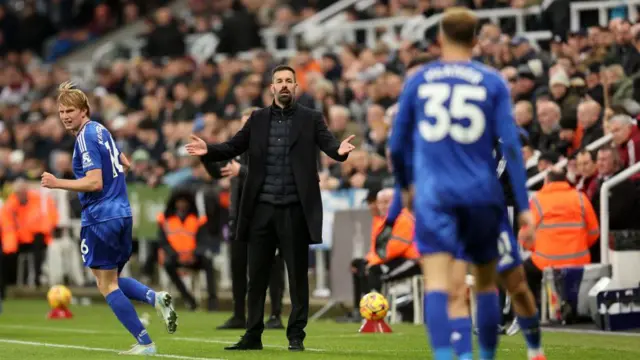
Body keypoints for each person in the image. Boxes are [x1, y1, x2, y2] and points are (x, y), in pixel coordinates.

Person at [388, 8, 534, 360]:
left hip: (436, 195)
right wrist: (525, 206)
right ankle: (483, 356)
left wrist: (405, 187)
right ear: (475, 41)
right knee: (484, 283)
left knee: (438, 283)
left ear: (439, 40)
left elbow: (395, 145)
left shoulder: (420, 80)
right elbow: (512, 146)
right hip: (482, 193)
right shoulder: (492, 80)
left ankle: (445, 356)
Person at [185, 65, 356, 351]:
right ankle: (253, 334)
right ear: (272, 88)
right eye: (279, 81)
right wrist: (209, 150)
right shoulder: (257, 119)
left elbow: (330, 146)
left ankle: (296, 336)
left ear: (296, 87)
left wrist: (339, 152)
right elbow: (233, 145)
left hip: (295, 209)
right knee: (257, 277)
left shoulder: (311, 118)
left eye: (290, 80)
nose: (285, 85)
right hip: (261, 209)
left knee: (297, 277)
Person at [40, 82, 177, 355]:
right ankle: (155, 297)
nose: (65, 116)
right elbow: (124, 161)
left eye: (70, 110)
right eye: (61, 111)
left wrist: (58, 183)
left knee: (106, 284)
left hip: (101, 217)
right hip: (122, 213)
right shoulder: (100, 129)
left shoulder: (84, 138)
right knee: (109, 277)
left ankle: (145, 343)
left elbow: (94, 182)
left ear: (84, 111)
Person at [201, 108, 286, 330]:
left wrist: (243, 171)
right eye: (243, 123)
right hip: (239, 219)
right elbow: (218, 173)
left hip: (266, 217)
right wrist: (205, 155)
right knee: (238, 268)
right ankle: (239, 314)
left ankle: (275, 314)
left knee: (271, 266)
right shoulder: (238, 151)